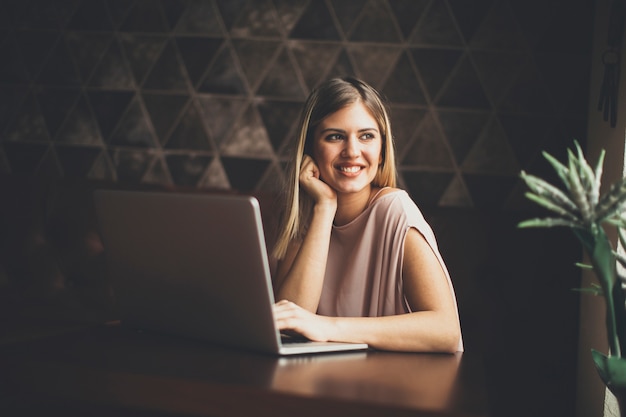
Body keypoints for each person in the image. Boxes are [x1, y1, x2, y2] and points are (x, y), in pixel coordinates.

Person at [271, 77, 463, 353]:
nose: (352, 151)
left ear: (382, 151)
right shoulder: (303, 218)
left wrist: (327, 327)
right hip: (325, 383)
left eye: (366, 136)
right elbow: (289, 324)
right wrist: (325, 209)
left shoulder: (396, 211)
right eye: (335, 136)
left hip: (394, 385)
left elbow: (446, 330)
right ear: (311, 148)